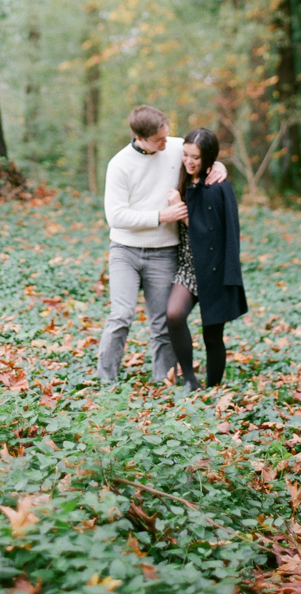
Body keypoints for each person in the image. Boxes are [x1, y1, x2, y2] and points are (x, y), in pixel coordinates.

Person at [96, 105, 227, 384]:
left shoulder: (174, 146)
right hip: (125, 251)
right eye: (160, 140)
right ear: (140, 138)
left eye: (167, 135)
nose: (168, 143)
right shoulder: (119, 164)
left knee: (162, 323)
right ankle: (105, 381)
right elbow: (115, 216)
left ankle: (163, 380)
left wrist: (219, 165)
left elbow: (202, 152)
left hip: (164, 252)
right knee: (121, 315)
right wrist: (161, 216)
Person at [166, 127, 247, 391]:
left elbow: (216, 235)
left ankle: (213, 388)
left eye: (196, 158)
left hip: (214, 269)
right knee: (174, 314)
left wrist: (180, 208)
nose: (189, 161)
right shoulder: (182, 177)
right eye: (186, 155)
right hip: (189, 266)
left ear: (208, 159)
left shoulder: (218, 187)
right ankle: (190, 379)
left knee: (213, 336)